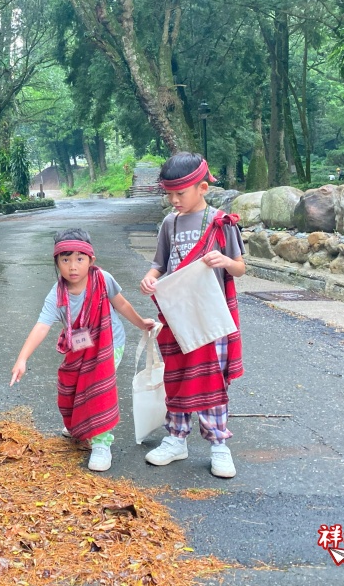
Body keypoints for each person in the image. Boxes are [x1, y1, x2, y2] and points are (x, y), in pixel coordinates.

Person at [11, 229, 156, 472]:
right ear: (56, 263)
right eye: (65, 260)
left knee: (95, 390)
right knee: (71, 389)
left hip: (110, 345)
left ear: (91, 260)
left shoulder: (103, 280)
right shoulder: (56, 296)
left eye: (80, 259)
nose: (73, 266)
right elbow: (41, 326)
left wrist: (141, 323)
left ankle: (101, 444)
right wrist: (22, 359)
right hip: (78, 350)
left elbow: (121, 303)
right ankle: (78, 424)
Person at [139, 152, 246, 479]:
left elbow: (240, 268)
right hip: (178, 314)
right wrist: (150, 277)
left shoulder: (221, 223)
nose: (173, 200)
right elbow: (160, 263)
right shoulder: (169, 224)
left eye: (179, 193)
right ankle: (176, 439)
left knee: (212, 378)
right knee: (178, 377)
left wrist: (225, 262)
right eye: (168, 193)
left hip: (210, 316)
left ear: (203, 187)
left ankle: (218, 444)